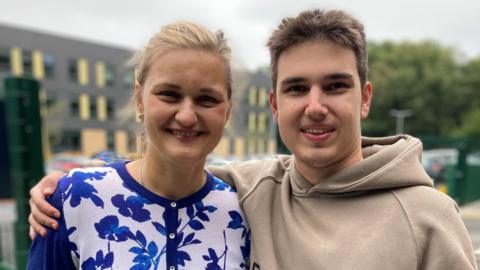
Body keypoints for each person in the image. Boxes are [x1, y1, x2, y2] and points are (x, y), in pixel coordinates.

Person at [29, 9, 477, 269]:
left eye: (336, 86)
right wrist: (69, 183)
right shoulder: (255, 190)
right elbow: (168, 171)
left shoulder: (427, 217)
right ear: (274, 103)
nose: (315, 105)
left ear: (365, 98)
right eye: (297, 88)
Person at [27, 21, 250, 270]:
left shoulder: (243, 214)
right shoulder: (74, 199)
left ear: (227, 110)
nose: (187, 116)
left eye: (206, 99)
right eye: (169, 94)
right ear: (139, 99)